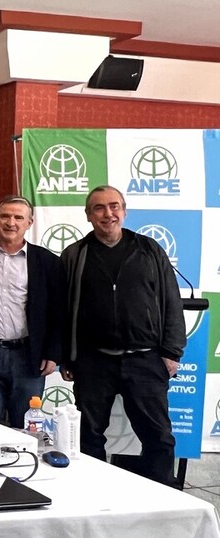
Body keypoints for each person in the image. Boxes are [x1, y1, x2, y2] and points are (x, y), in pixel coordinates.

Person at [61, 185, 184, 486]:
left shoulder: (150, 249)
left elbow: (171, 300)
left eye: (114, 206)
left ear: (124, 211)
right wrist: (67, 356)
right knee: (87, 438)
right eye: (99, 208)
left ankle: (163, 501)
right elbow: (61, 310)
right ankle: (89, 496)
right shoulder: (75, 255)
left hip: (145, 361)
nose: (108, 213)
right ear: (88, 215)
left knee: (159, 438)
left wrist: (171, 351)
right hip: (93, 362)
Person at [0, 195, 64, 426]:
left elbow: (58, 311)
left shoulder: (46, 261)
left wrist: (53, 352)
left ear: (29, 222)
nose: (11, 222)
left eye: (18, 217)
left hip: (28, 355)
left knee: (26, 424)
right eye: (5, 216)